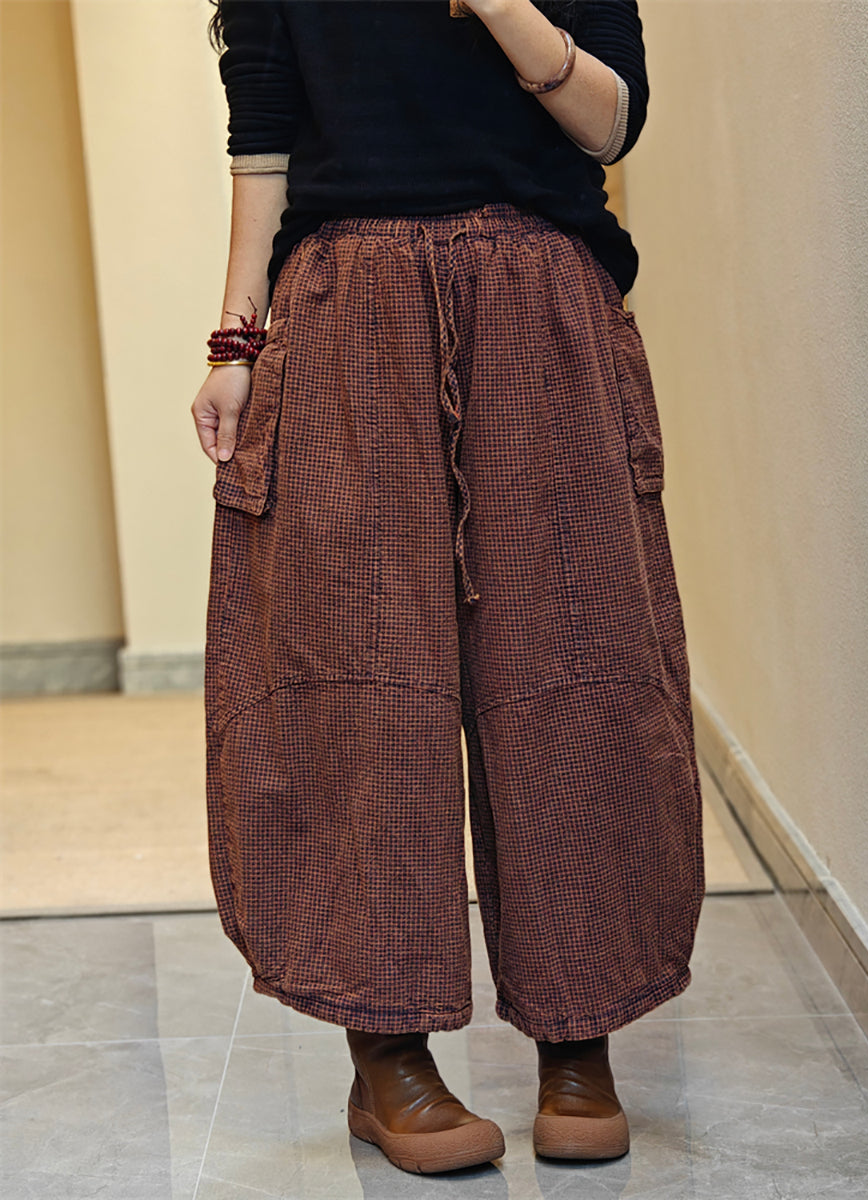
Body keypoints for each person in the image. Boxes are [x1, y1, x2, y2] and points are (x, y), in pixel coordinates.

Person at [191, 0, 704, 1176]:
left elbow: (610, 126)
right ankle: (390, 1058)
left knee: (576, 668)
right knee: (358, 682)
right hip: (346, 315)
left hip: (544, 307)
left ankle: (579, 1037)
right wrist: (234, 348)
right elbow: (261, 153)